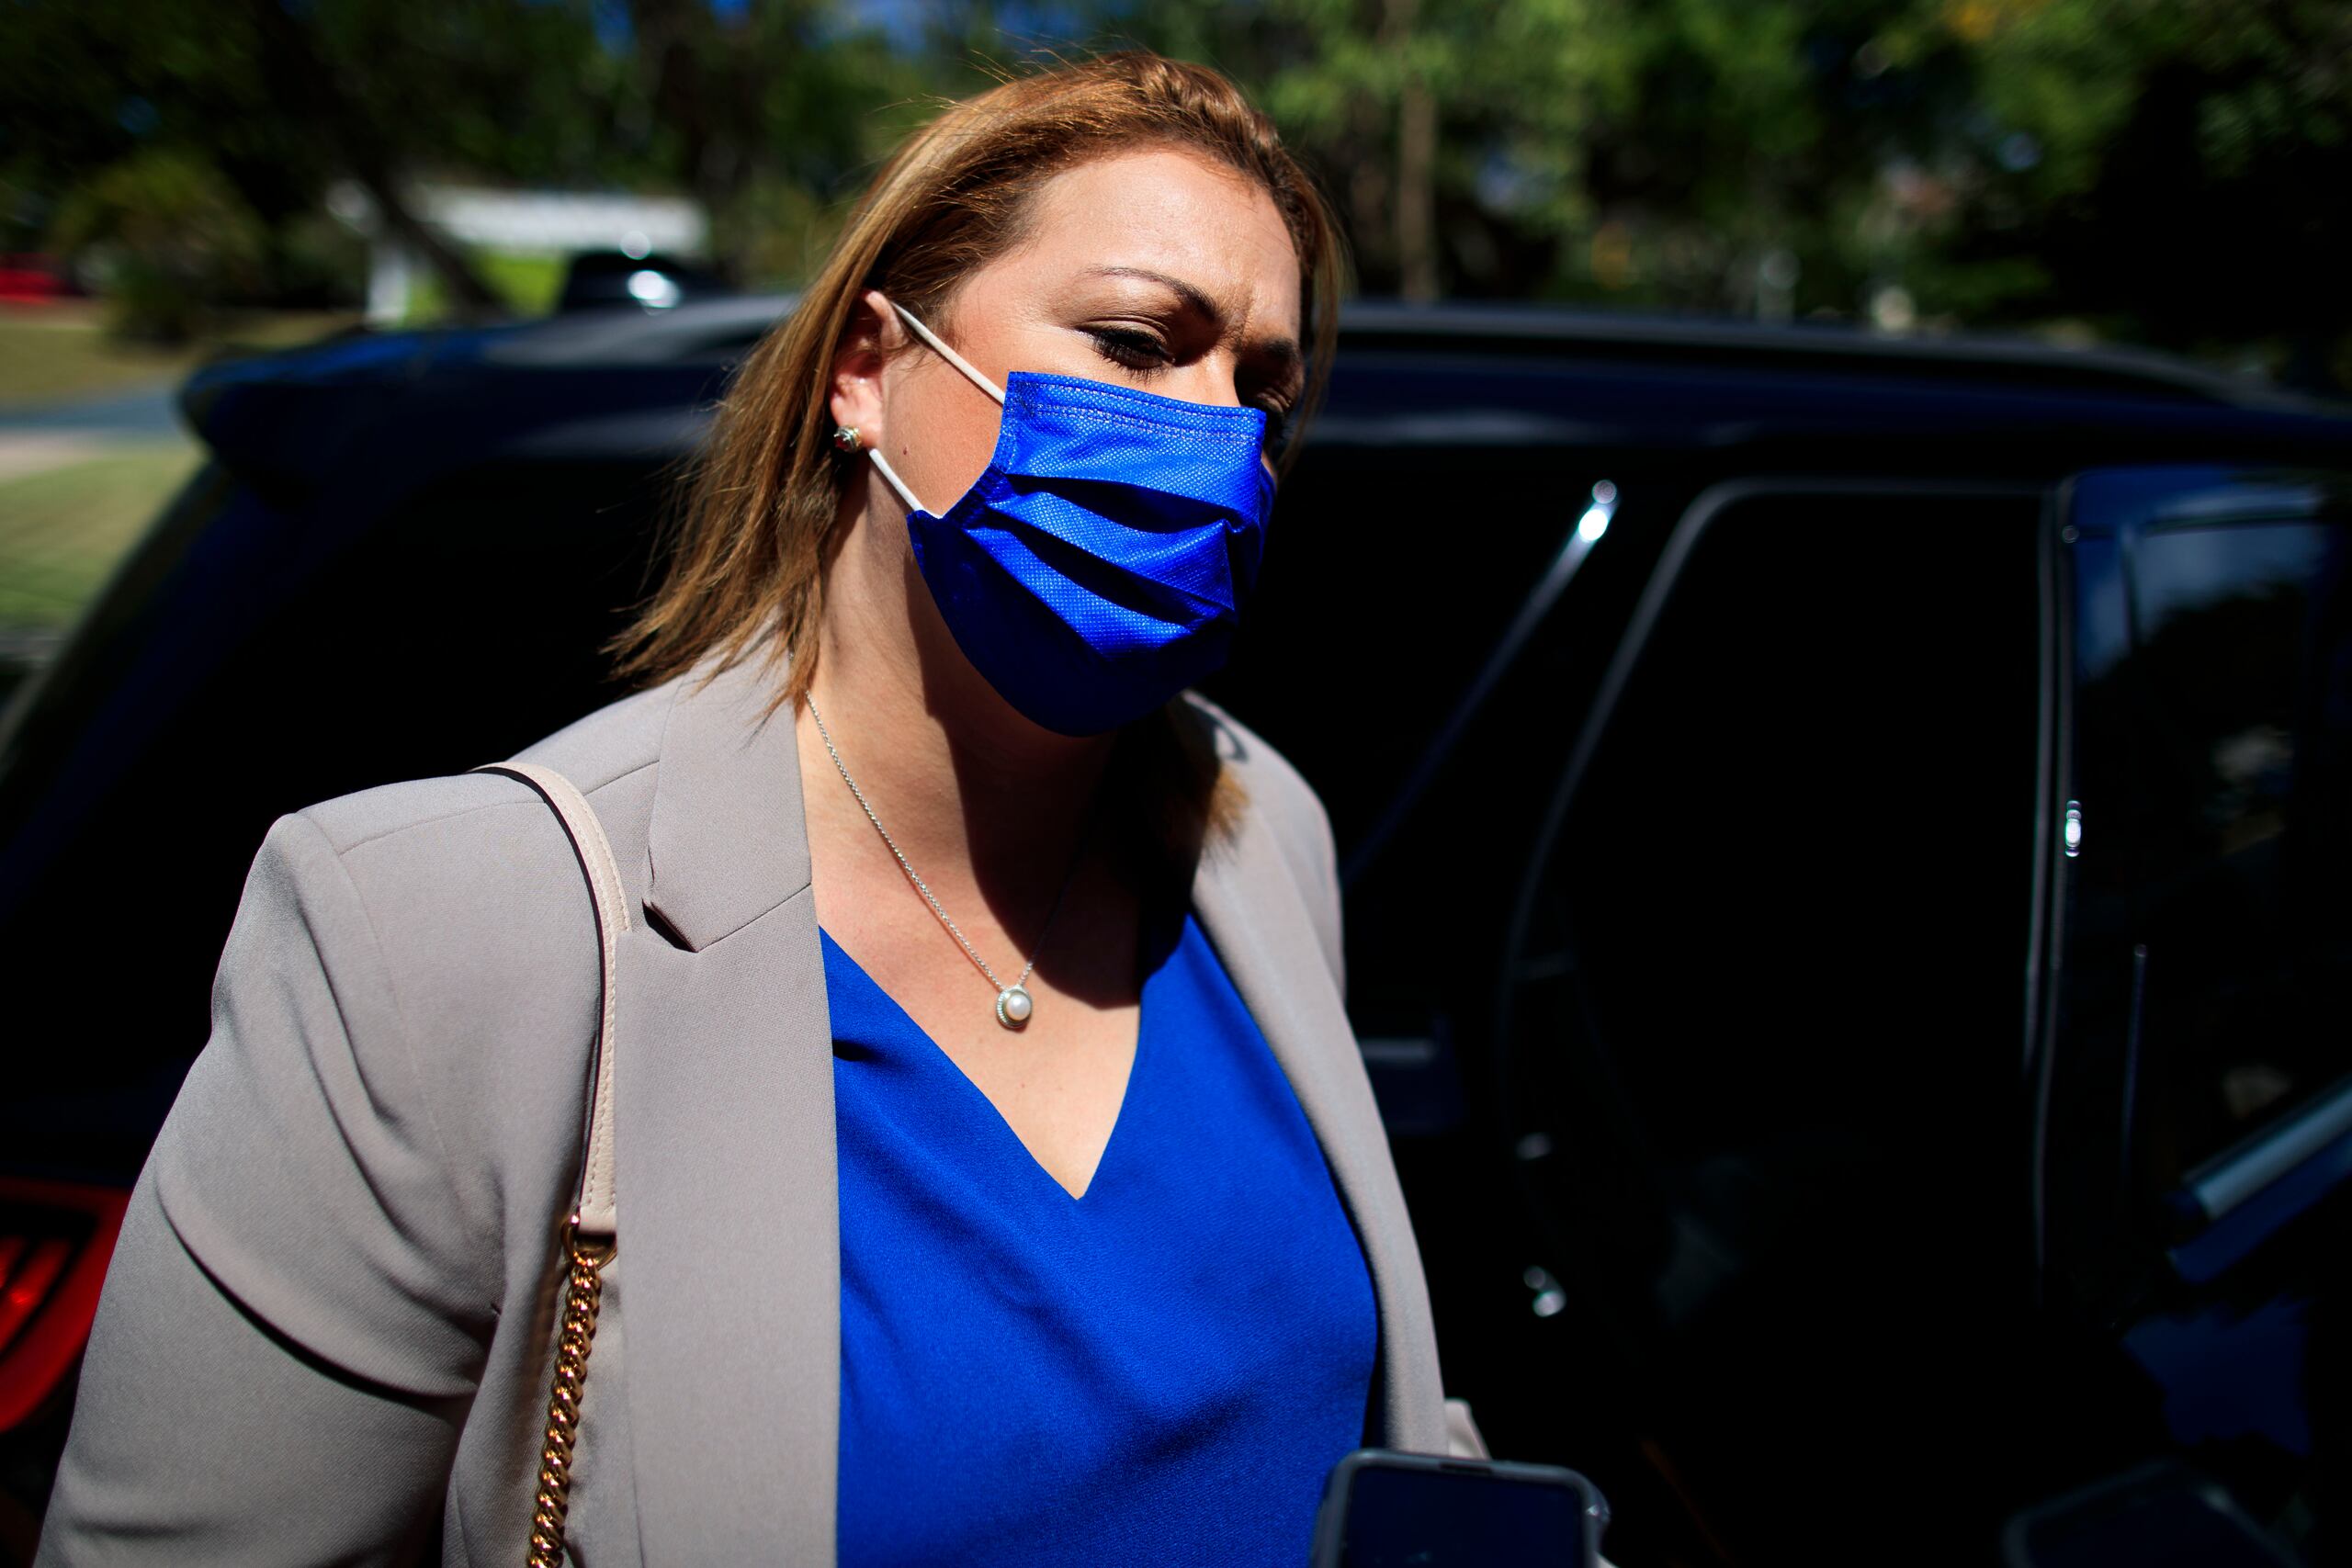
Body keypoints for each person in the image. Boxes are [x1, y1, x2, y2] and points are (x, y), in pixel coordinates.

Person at [35, 51, 1486, 1568]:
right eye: (1134, 344)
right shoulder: (436, 937)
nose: (1220, 440)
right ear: (870, 368)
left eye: (1264, 386)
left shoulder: (1258, 832)